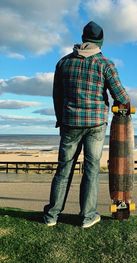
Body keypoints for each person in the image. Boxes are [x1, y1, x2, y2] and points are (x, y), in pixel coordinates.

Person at [43, 21, 130, 228]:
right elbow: (121, 96)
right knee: (91, 169)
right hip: (96, 125)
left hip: (69, 123)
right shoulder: (105, 64)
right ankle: (87, 216)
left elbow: (57, 96)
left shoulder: (63, 63)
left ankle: (52, 216)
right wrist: (123, 103)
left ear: (83, 39)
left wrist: (60, 119)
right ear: (100, 41)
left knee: (64, 169)